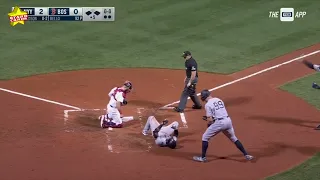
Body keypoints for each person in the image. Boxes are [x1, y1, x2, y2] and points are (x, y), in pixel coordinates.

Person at [193, 89, 254, 162]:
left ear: (203, 97)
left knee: (205, 137)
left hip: (220, 123)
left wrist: (208, 124)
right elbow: (219, 112)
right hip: (228, 121)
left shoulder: (208, 105)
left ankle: (203, 158)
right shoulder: (219, 99)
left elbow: (210, 120)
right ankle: (246, 155)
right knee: (233, 138)